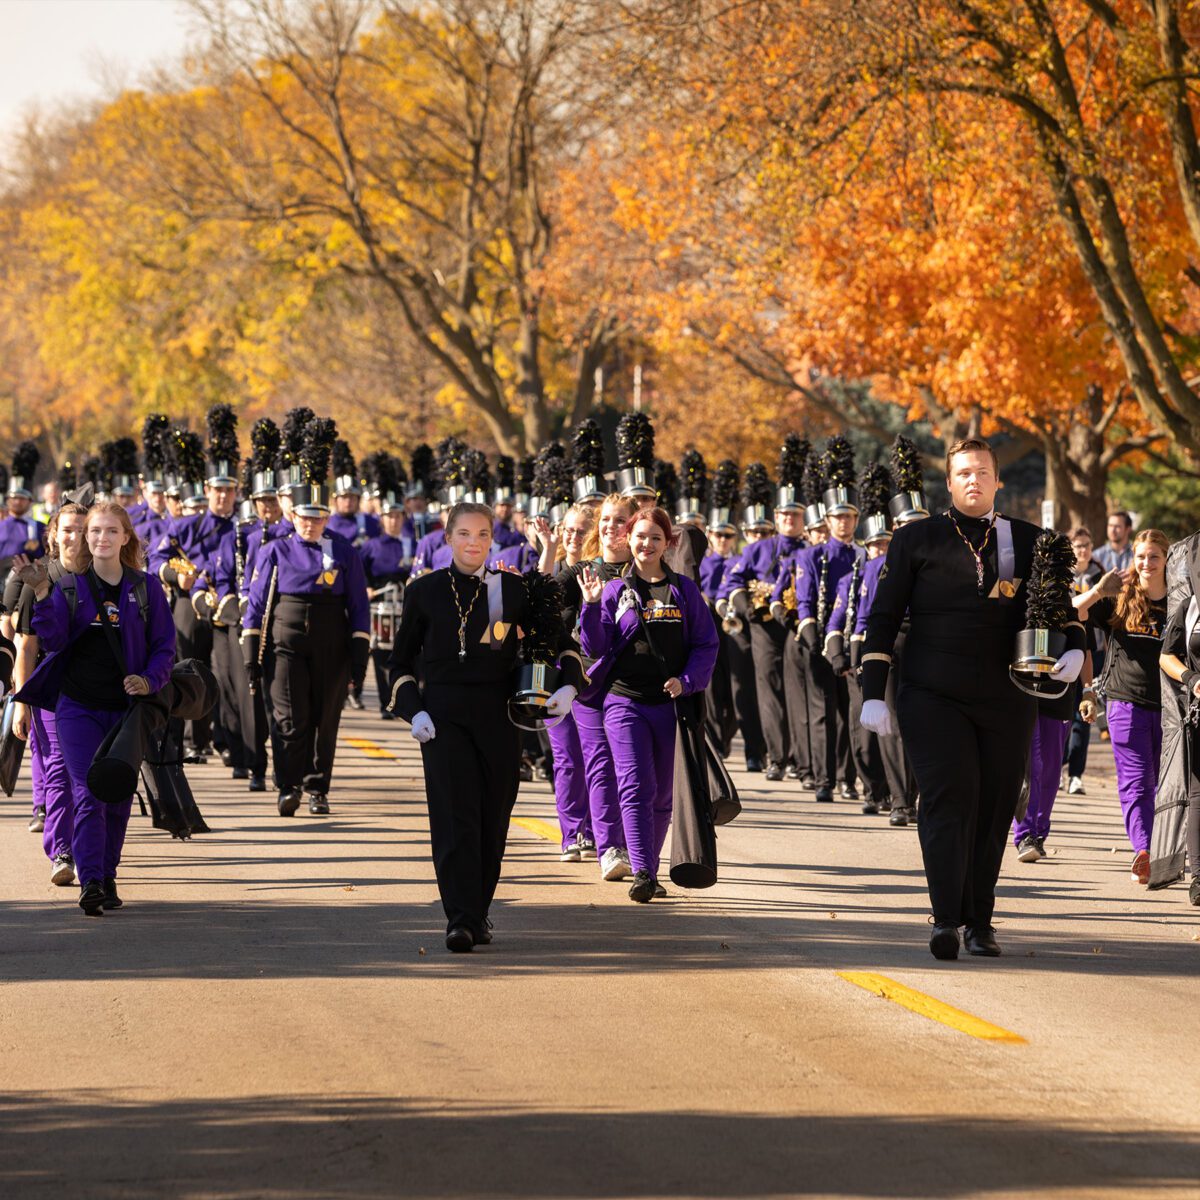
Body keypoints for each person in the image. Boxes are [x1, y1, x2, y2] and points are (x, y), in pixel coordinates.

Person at [860, 437, 1086, 959]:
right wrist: (874, 691)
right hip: (931, 693)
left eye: (982, 472)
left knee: (994, 805)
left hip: (1007, 695)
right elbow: (884, 617)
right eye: (963, 473)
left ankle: (979, 921)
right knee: (947, 796)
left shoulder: (1028, 539)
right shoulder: (917, 540)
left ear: (997, 480)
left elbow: (1059, 608)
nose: (973, 481)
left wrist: (1073, 648)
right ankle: (945, 919)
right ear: (949, 481)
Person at [387, 501, 581, 951]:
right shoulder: (424, 591)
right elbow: (398, 662)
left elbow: (559, 642)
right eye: (464, 535)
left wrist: (568, 688)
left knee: (493, 818)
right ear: (447, 538)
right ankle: (460, 918)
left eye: (482, 535)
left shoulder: (510, 590)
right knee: (456, 818)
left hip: (498, 716)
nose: (474, 543)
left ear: (492, 539)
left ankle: (480, 911)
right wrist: (413, 710)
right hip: (442, 718)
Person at [14, 501, 176, 916]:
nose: (101, 538)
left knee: (118, 795)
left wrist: (148, 680)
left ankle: (106, 874)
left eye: (110, 530)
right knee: (88, 791)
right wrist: (42, 592)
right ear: (86, 539)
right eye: (94, 531)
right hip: (77, 708)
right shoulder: (71, 587)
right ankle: (90, 881)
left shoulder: (145, 589)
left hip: (125, 711)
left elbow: (164, 648)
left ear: (126, 538)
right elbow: (53, 639)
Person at [579, 506, 719, 902]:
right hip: (624, 703)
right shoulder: (612, 590)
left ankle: (650, 868)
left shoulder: (684, 591)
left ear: (667, 543)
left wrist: (687, 681)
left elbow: (706, 644)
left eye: (656, 537)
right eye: (640, 536)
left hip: (670, 706)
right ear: (629, 539)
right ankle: (643, 871)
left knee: (661, 795)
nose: (647, 543)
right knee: (634, 786)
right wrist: (590, 607)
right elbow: (594, 646)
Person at [242, 425, 371, 817]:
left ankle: (318, 788)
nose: (310, 524)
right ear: (291, 514)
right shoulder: (275, 550)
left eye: (318, 518)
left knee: (323, 720)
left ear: (327, 517)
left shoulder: (345, 550)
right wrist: (250, 653)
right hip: (285, 644)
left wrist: (359, 656)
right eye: (303, 517)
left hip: (332, 644)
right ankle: (288, 784)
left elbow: (359, 608)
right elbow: (257, 603)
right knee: (288, 719)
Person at [1074, 529, 1170, 884]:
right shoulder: (1120, 597)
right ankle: (1143, 851)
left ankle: (1164, 848)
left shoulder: (1180, 600)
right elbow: (1073, 609)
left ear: (1166, 559)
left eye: (1154, 556)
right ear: (1133, 557)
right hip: (1125, 702)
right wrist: (1100, 588)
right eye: (1141, 556)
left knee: (1164, 783)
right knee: (1135, 781)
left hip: (1170, 707)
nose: (1147, 563)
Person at [8, 496, 92, 875]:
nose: (75, 537)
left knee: (91, 774)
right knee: (59, 768)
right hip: (52, 692)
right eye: (68, 530)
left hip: (98, 688)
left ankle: (91, 848)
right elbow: (25, 646)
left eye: (82, 530)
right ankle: (61, 851)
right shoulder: (39, 579)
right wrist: (22, 704)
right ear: (54, 536)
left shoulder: (106, 577)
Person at [555, 493, 637, 881]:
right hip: (591, 687)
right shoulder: (580, 572)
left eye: (619, 520)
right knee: (598, 765)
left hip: (637, 687)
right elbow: (544, 605)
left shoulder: (647, 573)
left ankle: (639, 844)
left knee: (637, 774)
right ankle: (608, 846)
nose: (610, 527)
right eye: (606, 519)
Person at [1064, 526, 1107, 794]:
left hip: (1094, 649)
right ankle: (1056, 767)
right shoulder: (1061, 573)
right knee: (1063, 718)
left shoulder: (1098, 574)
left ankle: (1076, 775)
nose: (1083, 550)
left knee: (1084, 714)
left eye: (1087, 545)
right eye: (1078, 545)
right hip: (1064, 649)